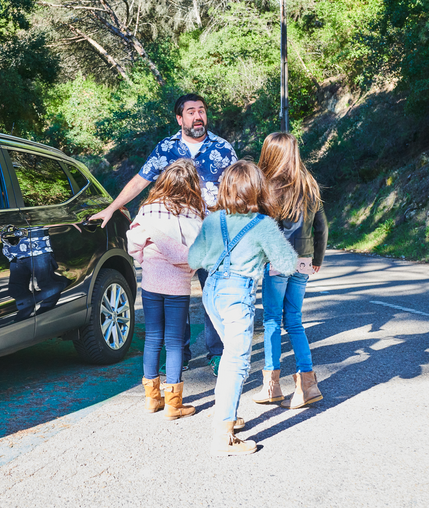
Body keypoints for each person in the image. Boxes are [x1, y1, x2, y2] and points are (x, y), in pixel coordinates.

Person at [91, 93, 238, 375]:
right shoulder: (166, 148)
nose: (198, 116)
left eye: (202, 111)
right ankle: (178, 353)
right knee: (176, 296)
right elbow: (140, 180)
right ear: (179, 118)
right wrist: (111, 208)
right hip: (177, 236)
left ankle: (217, 352)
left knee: (214, 294)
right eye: (192, 111)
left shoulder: (222, 147)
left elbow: (236, 187)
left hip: (212, 236)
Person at [188, 160, 297, 456]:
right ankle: (223, 437)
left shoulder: (213, 220)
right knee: (237, 361)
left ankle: (227, 413)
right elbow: (286, 263)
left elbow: (194, 258)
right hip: (237, 294)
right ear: (257, 190)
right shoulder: (262, 224)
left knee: (229, 356)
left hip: (211, 291)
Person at [252, 132, 328, 409]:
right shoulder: (308, 183)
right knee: (294, 320)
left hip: (279, 260)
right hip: (304, 260)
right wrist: (316, 257)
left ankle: (271, 386)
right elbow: (321, 225)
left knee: (272, 320)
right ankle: (307, 384)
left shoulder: (268, 186)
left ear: (270, 154)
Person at [127, 159, 204, 420]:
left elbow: (134, 243)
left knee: (152, 338)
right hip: (178, 285)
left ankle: (152, 398)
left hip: (151, 283)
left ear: (163, 182)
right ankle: (173, 404)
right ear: (192, 186)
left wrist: (146, 261)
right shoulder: (194, 214)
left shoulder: (148, 210)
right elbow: (198, 253)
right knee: (174, 343)